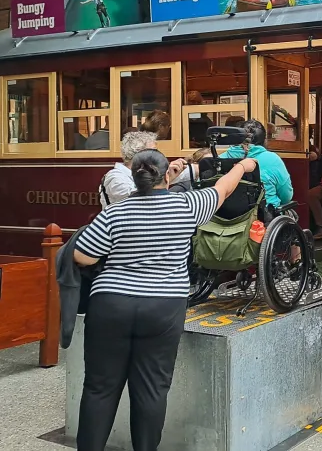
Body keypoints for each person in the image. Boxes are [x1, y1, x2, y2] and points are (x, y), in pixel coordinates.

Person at [73, 148, 257, 451]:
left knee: (99, 388)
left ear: (134, 176)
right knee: (152, 389)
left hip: (110, 305)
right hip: (163, 305)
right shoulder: (186, 205)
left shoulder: (115, 212)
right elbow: (222, 189)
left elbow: (83, 254)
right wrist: (242, 166)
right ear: (163, 176)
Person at [99, 131, 189, 209]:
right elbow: (137, 195)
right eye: (153, 151)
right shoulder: (115, 177)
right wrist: (166, 178)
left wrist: (195, 167)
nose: (157, 154)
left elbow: (182, 176)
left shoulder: (147, 172)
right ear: (139, 153)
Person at [221, 119, 293, 209]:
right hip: (263, 217)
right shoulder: (273, 160)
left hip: (221, 217)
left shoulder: (220, 159)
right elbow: (286, 197)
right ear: (264, 140)